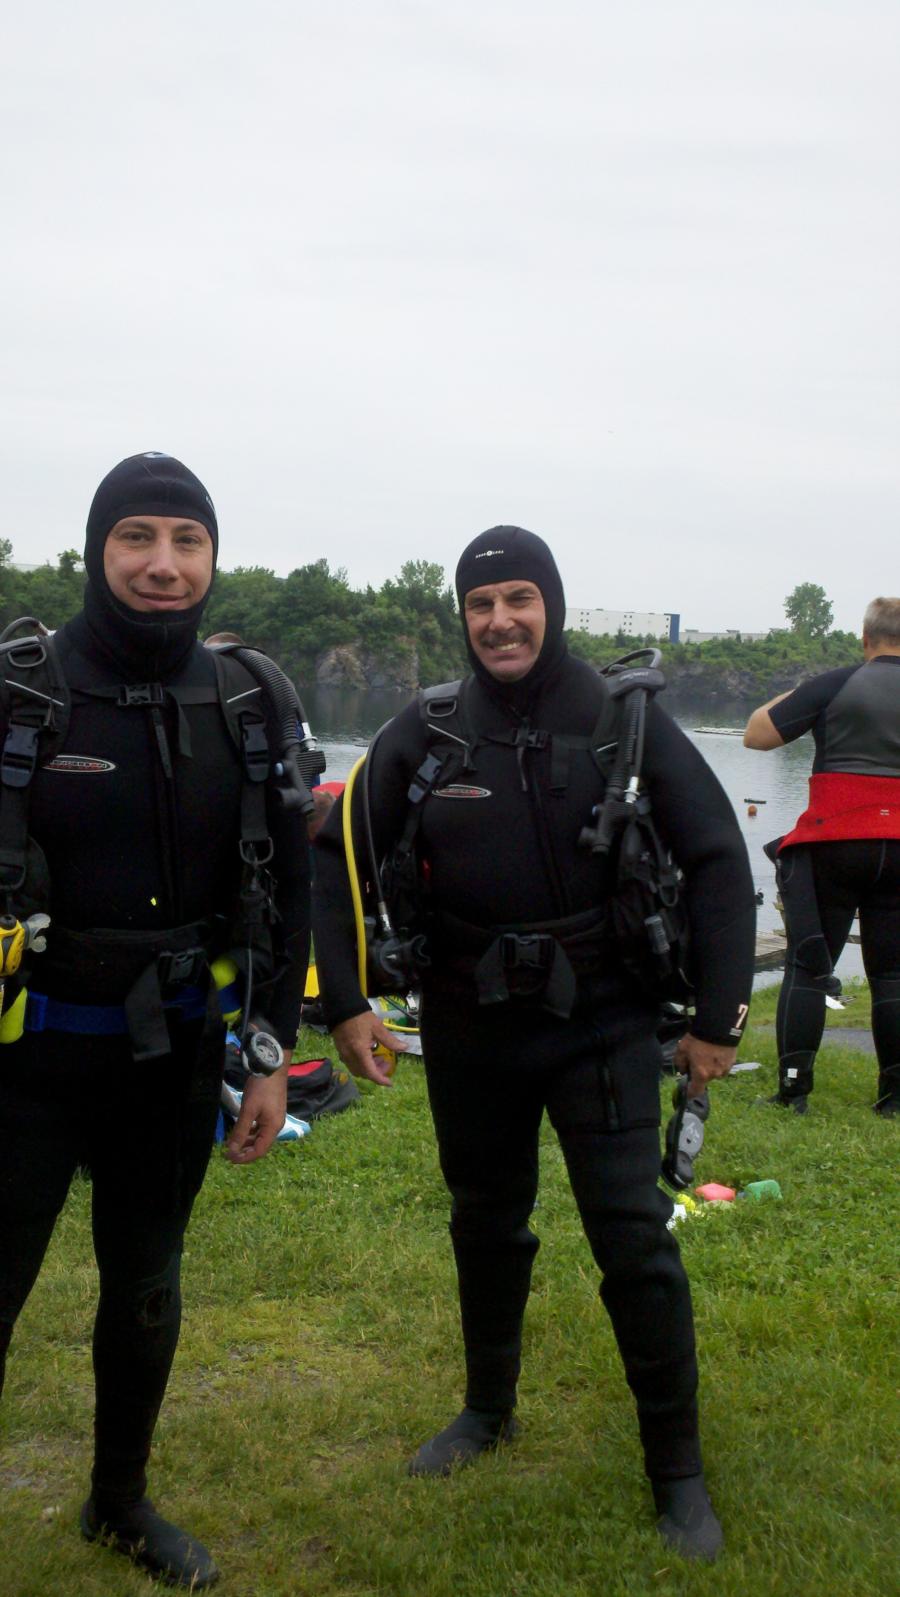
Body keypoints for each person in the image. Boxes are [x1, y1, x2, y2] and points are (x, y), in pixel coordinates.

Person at [313, 527, 755, 1563]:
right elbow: (332, 862)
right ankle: (487, 1408)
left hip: (599, 1020)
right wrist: (345, 1003)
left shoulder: (622, 722)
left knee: (633, 1240)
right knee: (485, 1223)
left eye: (519, 598)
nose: (501, 620)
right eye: (481, 604)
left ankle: (677, 1472)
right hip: (470, 1024)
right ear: (460, 617)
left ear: (549, 604)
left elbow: (717, 864)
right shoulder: (425, 732)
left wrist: (716, 1020)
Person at [0, 453, 310, 1588]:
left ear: (214, 558)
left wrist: (269, 1053)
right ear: (97, 549)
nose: (163, 564)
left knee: (146, 1282)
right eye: (138, 537)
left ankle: (118, 1498)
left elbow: (293, 888)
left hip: (172, 1054)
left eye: (187, 540)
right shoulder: (23, 688)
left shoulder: (249, 701)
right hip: (23, 1057)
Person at [744, 596, 900, 1116]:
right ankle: (894, 1097)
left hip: (834, 845)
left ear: (865, 637)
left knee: (808, 966)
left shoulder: (837, 683)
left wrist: (807, 692)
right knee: (894, 975)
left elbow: (757, 734)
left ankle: (794, 1093)